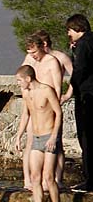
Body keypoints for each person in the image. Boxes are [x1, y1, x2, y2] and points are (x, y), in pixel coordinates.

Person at [14, 65, 62, 202]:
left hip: (49, 136)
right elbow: (26, 114)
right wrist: (18, 136)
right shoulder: (26, 93)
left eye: (19, 80)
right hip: (36, 137)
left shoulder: (46, 90)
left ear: (28, 78)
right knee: (35, 177)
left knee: (48, 177)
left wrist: (54, 136)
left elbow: (58, 113)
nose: (18, 83)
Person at [21, 34, 67, 189]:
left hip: (49, 105)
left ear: (42, 47)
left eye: (34, 52)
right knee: (30, 141)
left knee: (56, 145)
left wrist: (58, 105)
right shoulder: (30, 60)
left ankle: (56, 179)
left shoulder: (52, 61)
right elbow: (22, 76)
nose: (33, 55)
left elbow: (57, 87)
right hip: (34, 104)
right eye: (30, 52)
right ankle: (28, 179)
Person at [67, 13, 93, 192]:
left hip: (86, 96)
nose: (68, 34)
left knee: (86, 138)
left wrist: (70, 90)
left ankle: (89, 180)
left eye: (69, 30)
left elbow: (80, 69)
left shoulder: (83, 45)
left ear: (77, 28)